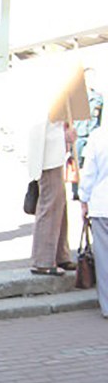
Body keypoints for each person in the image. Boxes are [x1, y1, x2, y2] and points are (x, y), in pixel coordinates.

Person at [28, 118, 76, 275]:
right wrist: (63, 137)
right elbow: (40, 129)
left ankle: (60, 254)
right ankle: (43, 260)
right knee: (50, 204)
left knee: (59, 204)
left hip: (54, 155)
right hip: (48, 157)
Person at [79, 125, 108, 316]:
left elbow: (89, 173)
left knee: (104, 257)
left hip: (102, 203)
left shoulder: (98, 137)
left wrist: (84, 198)